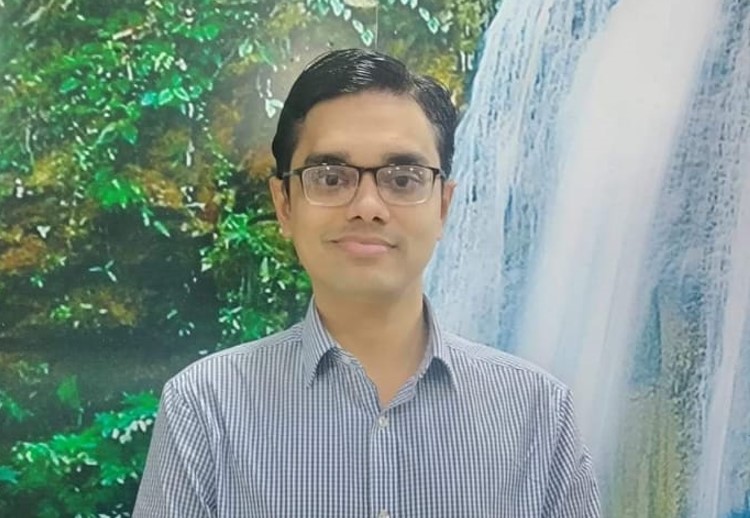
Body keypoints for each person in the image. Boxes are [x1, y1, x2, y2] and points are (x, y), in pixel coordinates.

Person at [133, 48, 600, 517]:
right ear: (285, 204)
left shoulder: (537, 413)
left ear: (442, 206)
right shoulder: (206, 408)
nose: (368, 207)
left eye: (403, 179)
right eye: (330, 178)